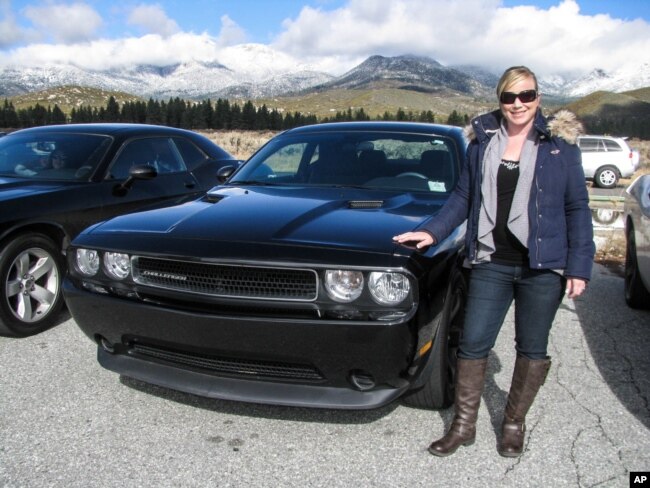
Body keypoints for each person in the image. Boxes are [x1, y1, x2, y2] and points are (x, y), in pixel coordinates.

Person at [393, 66, 594, 458]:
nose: (518, 104)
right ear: (499, 99)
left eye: (527, 95)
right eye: (509, 97)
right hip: (490, 260)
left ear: (538, 98)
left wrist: (579, 266)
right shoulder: (482, 142)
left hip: (543, 265)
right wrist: (432, 231)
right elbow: (462, 198)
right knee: (472, 343)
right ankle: (463, 426)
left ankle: (513, 424)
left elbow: (576, 207)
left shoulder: (559, 145)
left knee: (532, 348)